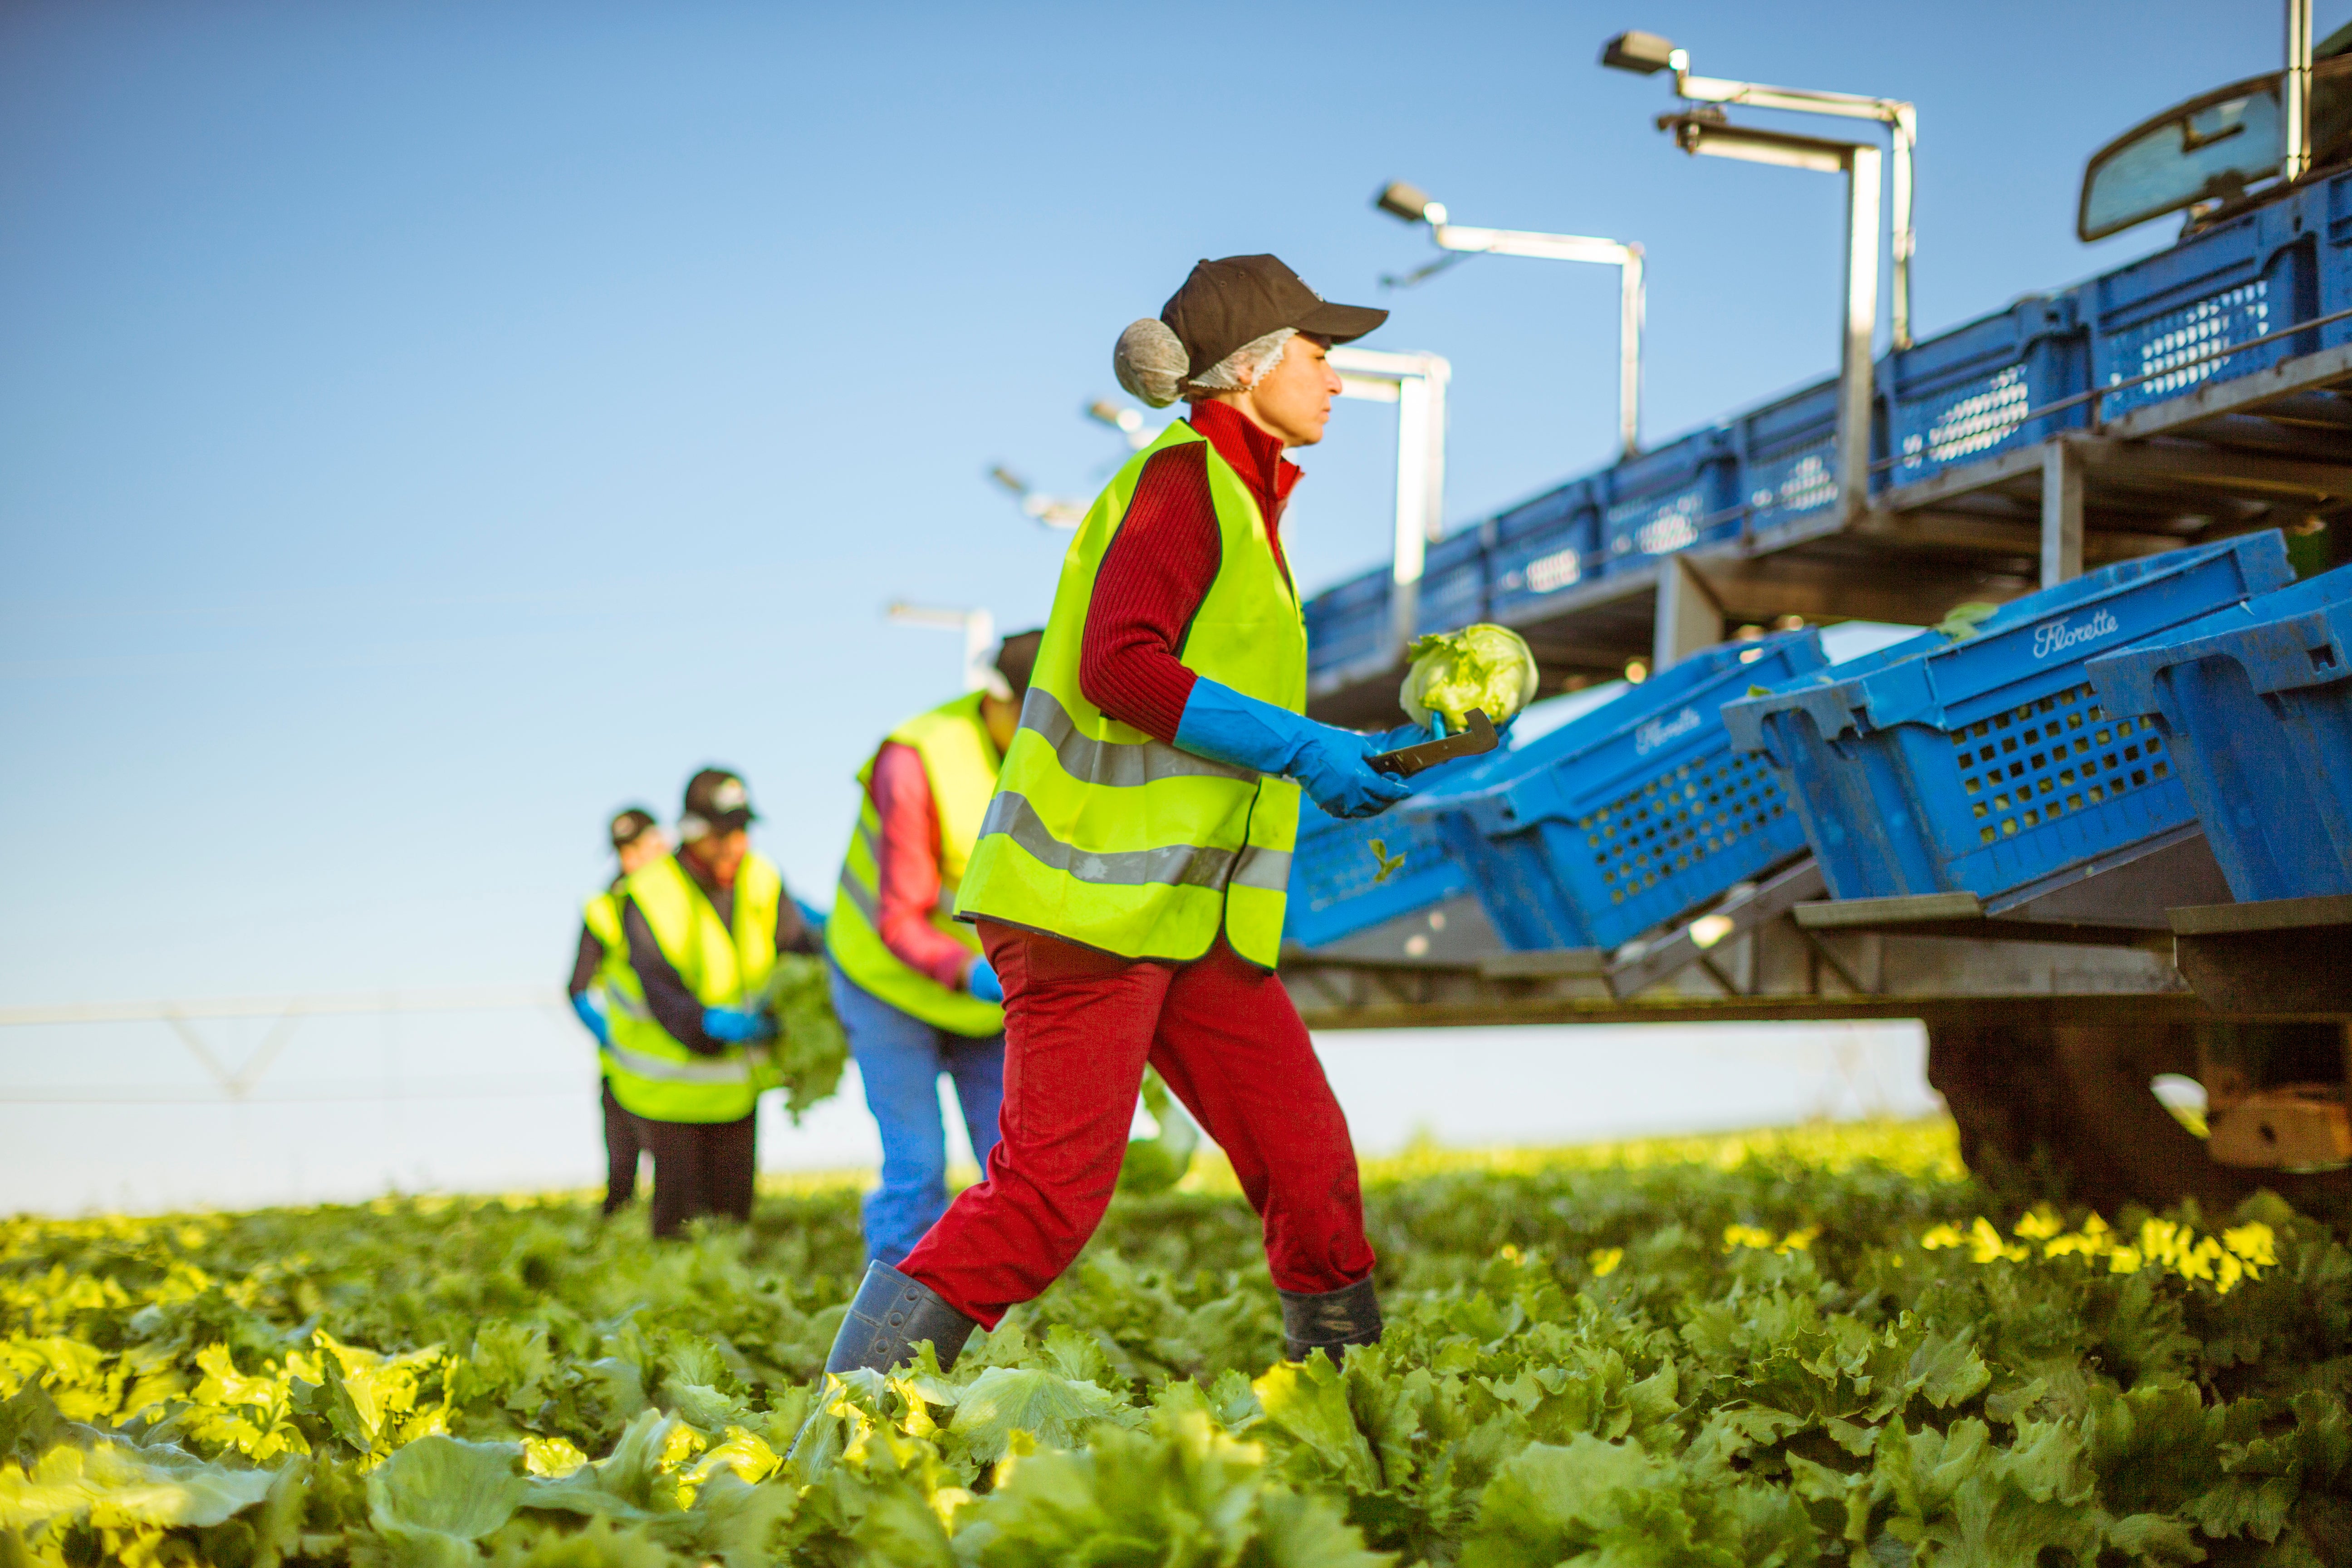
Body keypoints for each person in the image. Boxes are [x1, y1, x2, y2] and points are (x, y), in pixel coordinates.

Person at [818, 255, 1449, 1377]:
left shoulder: (1243, 501)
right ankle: (854, 1405)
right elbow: (1120, 667)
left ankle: (1347, 1399)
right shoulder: (1182, 480)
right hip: (1089, 908)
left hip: (1190, 917)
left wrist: (1331, 754)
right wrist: (1306, 747)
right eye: (1319, 353)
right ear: (1249, 367)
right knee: (1048, 1196)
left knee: (1306, 1157)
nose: (1336, 378)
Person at [824, 632, 1043, 1266]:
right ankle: (891, 1311)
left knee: (1013, 1166)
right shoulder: (916, 759)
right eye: (1033, 719)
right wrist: (973, 972)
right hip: (887, 983)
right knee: (916, 1166)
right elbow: (899, 920)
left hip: (986, 996)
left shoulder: (1064, 756)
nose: (1048, 738)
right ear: (998, 699)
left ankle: (1004, 1302)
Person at [608, 768, 822, 1238]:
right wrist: (707, 1024)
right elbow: (659, 989)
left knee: (734, 1221)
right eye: (721, 835)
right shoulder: (648, 892)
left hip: (736, 1088)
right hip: (668, 1091)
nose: (735, 846)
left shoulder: (762, 877)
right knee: (678, 1226)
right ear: (691, 832)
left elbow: (794, 949)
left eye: (742, 831)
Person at [566, 805, 671, 1216]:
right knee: (623, 1176)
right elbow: (577, 988)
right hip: (626, 1066)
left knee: (678, 1181)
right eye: (623, 851)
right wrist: (609, 1034)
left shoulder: (692, 897)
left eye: (638, 848)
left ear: (660, 842)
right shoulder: (604, 908)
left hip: (686, 1060)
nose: (630, 860)